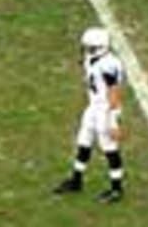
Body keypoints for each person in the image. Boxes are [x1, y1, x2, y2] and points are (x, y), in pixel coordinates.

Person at [54, 27, 126, 203]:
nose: (86, 50)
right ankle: (76, 179)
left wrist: (114, 120)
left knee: (110, 148)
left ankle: (116, 189)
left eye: (90, 47)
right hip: (93, 106)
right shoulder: (92, 58)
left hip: (106, 109)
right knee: (83, 141)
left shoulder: (109, 64)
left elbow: (114, 92)